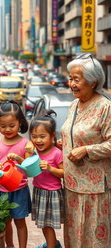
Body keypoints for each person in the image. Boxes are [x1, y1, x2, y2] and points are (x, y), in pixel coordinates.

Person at [61, 53, 111, 248]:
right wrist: (61, 142)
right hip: (72, 185)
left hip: (95, 189)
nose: (71, 83)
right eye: (70, 78)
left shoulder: (105, 107)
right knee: (74, 238)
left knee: (94, 239)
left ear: (92, 81)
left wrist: (86, 150)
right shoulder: (74, 104)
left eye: (76, 79)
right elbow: (74, 133)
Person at [0, 101, 32, 248]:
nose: (7, 129)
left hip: (19, 190)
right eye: (2, 126)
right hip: (0, 189)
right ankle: (10, 245)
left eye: (12, 126)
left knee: (20, 222)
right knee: (5, 222)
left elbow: (29, 167)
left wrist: (19, 159)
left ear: (20, 123)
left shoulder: (25, 143)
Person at [28, 110, 64, 248]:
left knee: (48, 226)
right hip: (39, 191)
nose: (38, 140)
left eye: (42, 136)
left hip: (51, 194)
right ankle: (54, 244)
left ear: (53, 135)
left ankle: (52, 246)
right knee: (43, 225)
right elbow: (27, 166)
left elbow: (64, 173)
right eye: (34, 136)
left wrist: (50, 169)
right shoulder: (35, 152)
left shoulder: (56, 153)